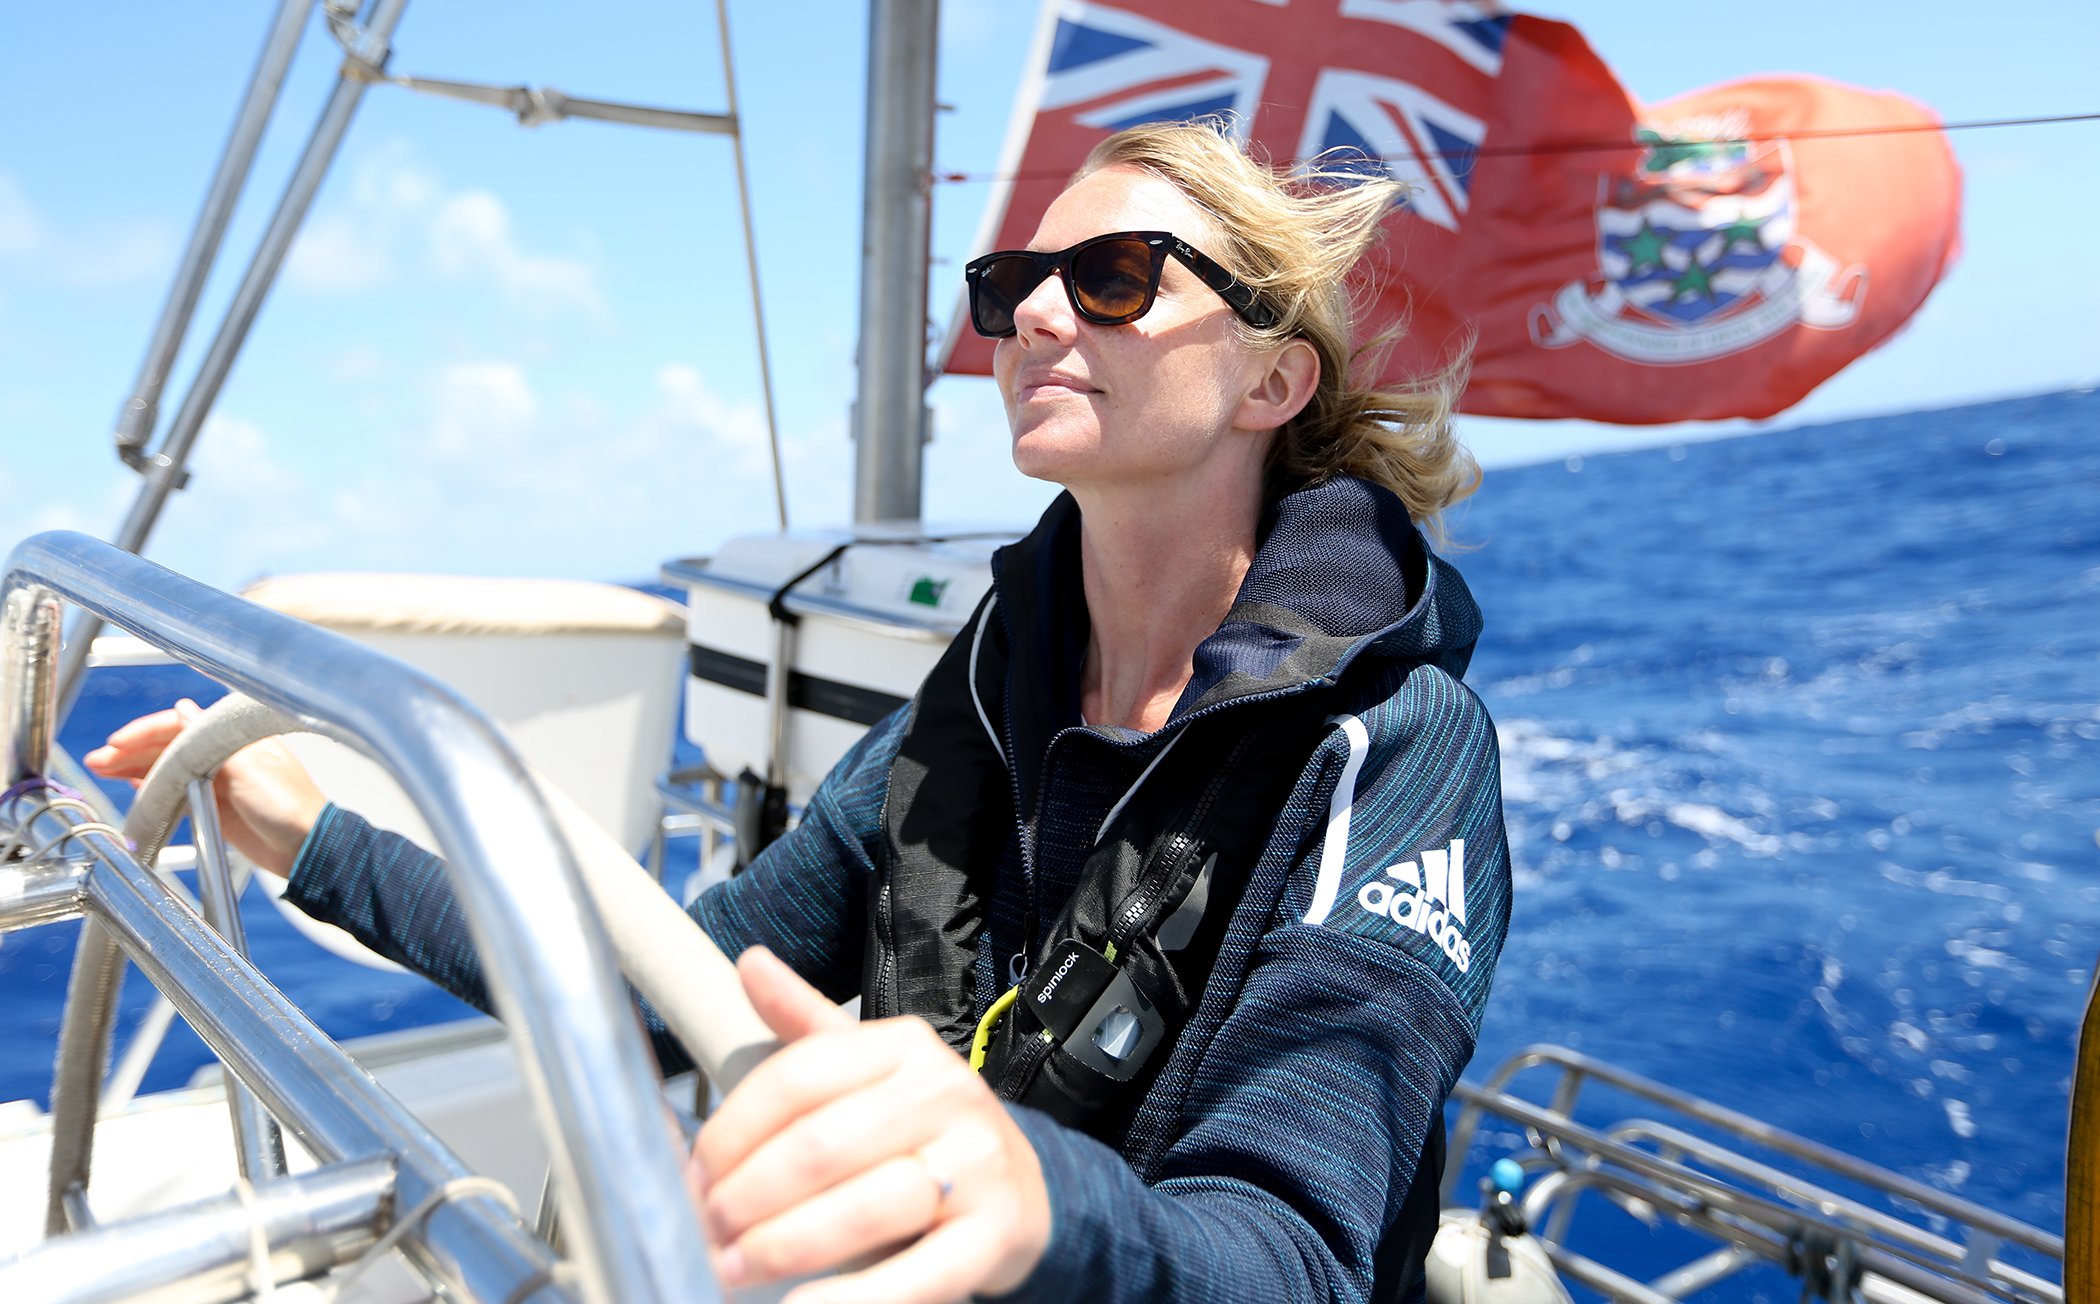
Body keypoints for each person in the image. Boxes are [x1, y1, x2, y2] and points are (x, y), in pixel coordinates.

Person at [89, 119, 1509, 1304]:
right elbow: (659, 986)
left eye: (1116, 277)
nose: (1034, 314)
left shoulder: (1395, 746)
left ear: (1272, 376)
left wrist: (1037, 1202)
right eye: (1015, 282)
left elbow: (1296, 1251)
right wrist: (317, 841)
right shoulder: (986, 692)